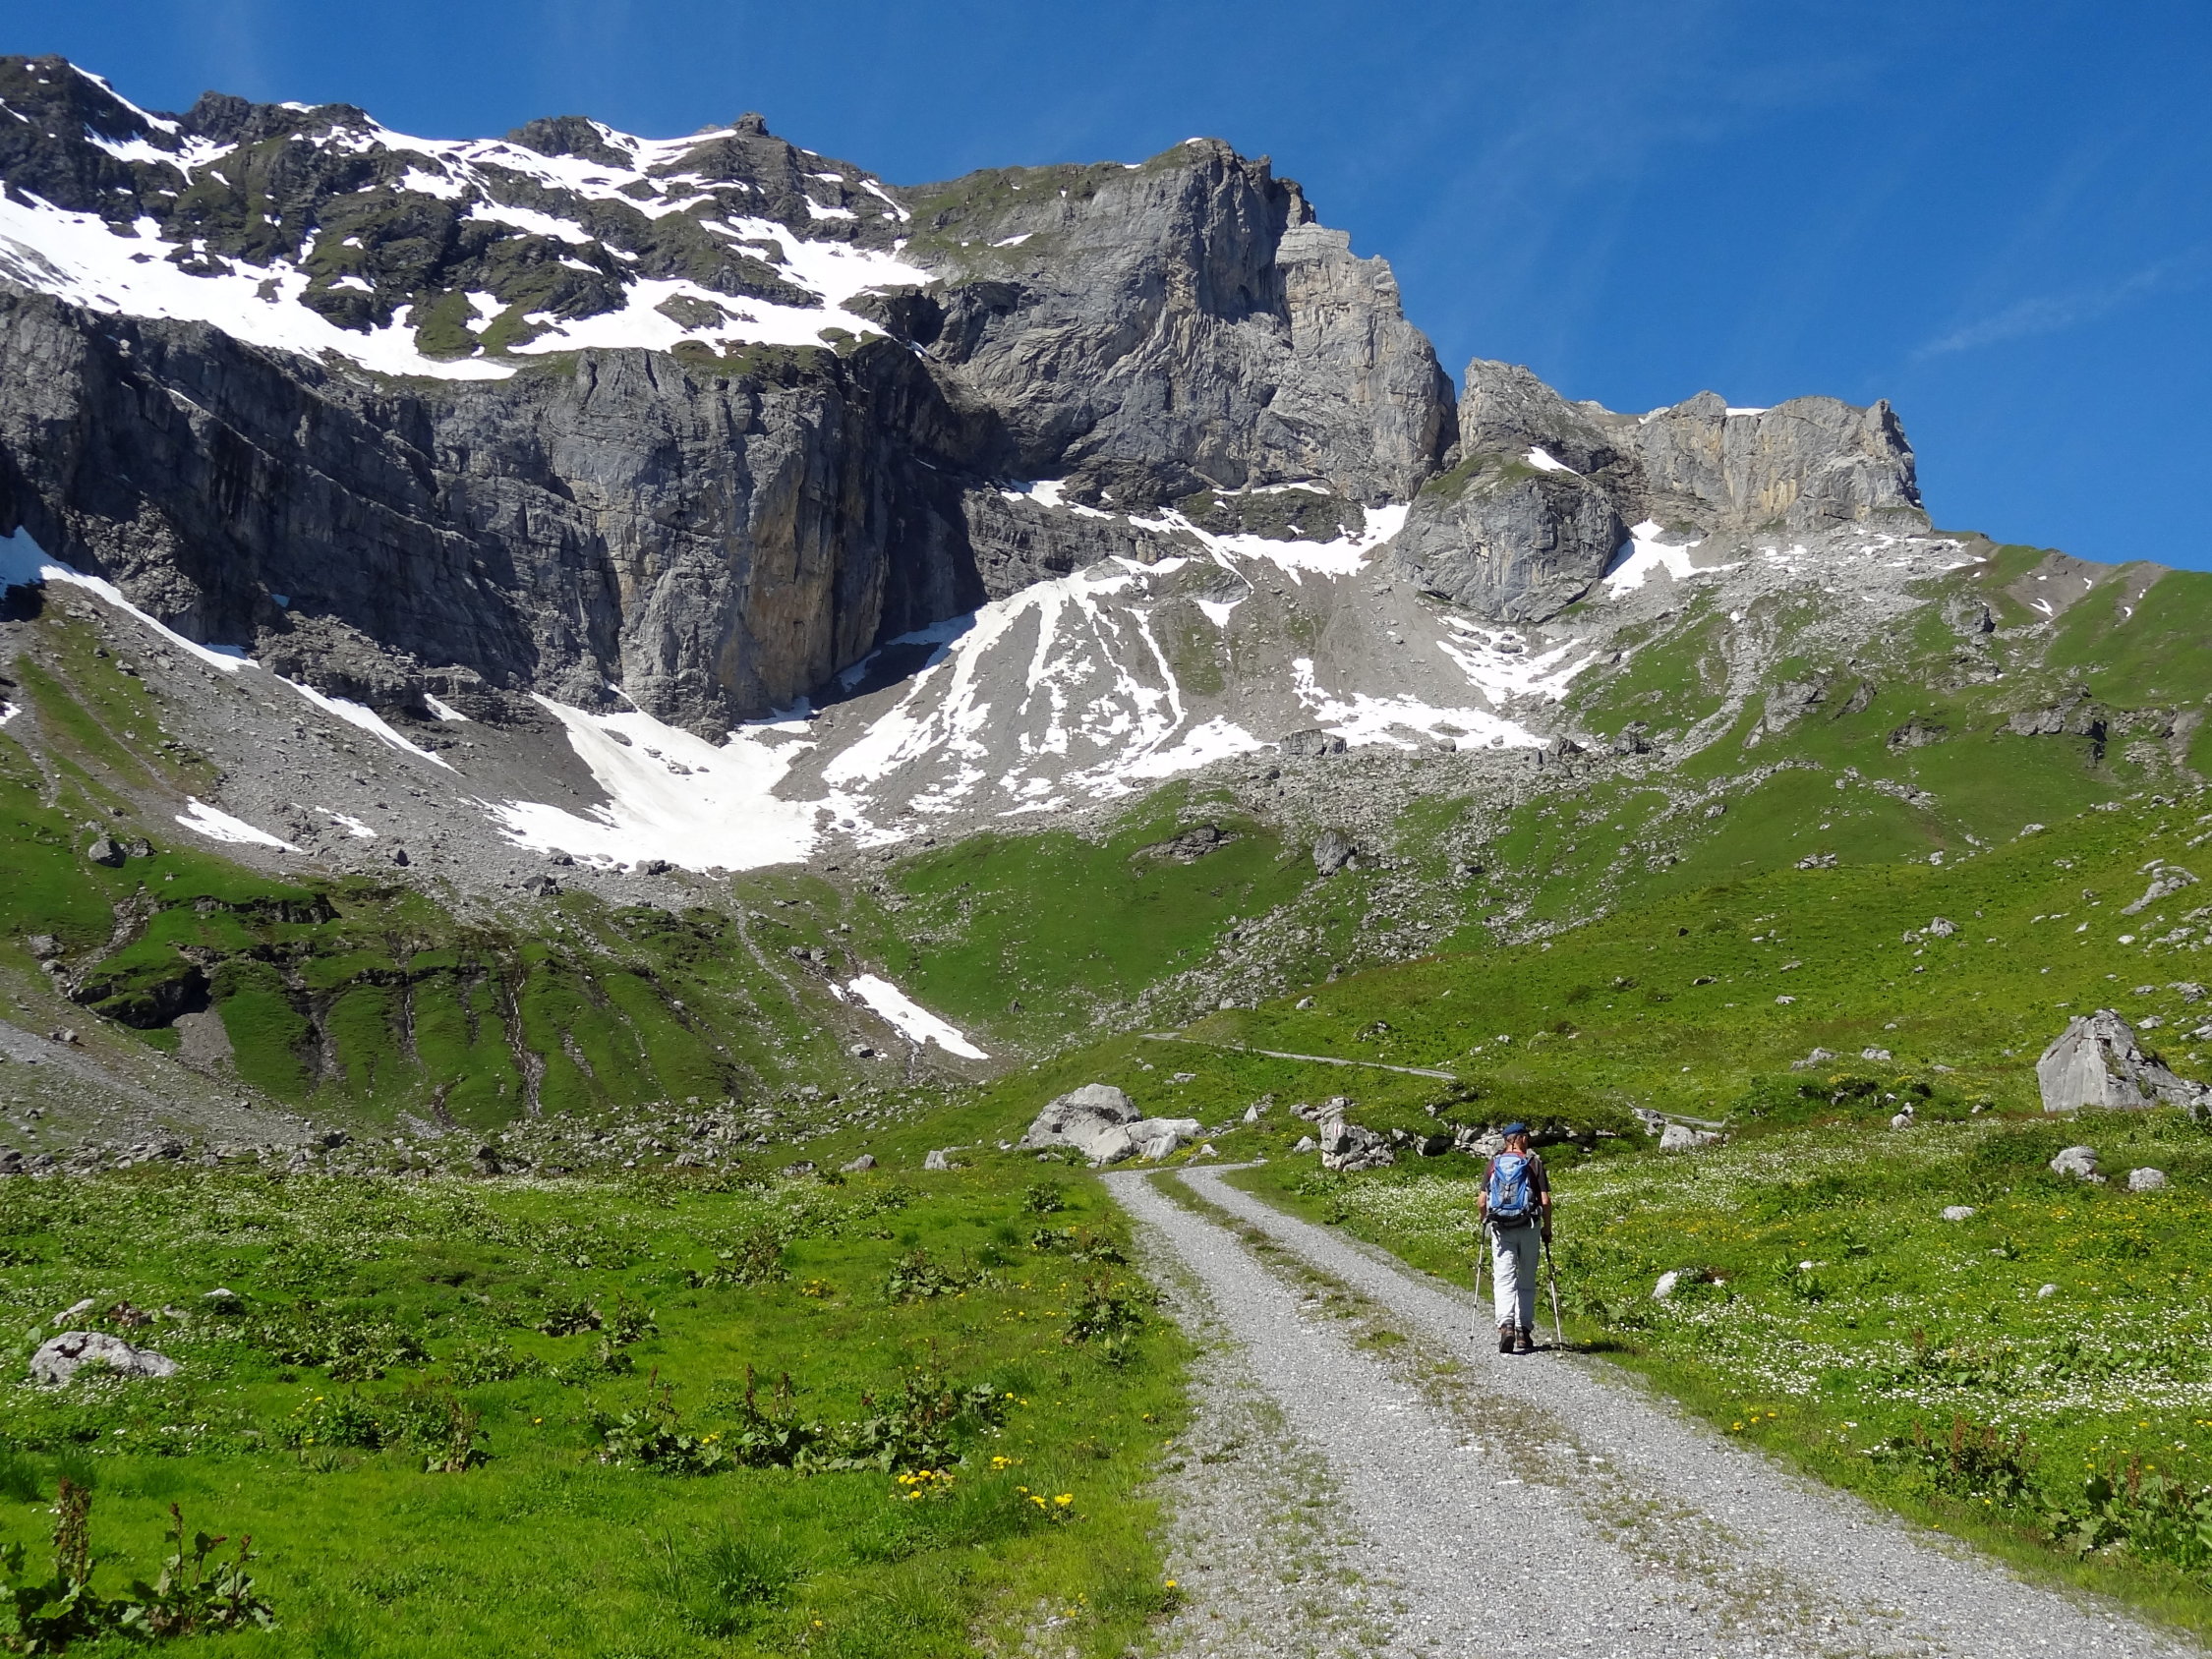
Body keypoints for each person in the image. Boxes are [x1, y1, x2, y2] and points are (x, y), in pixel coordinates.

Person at [1476, 1121, 1550, 1354]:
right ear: (1521, 1138)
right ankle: (1523, 1331)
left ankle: (1506, 1326)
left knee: (1504, 1278)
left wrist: (1484, 1220)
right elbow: (1545, 1201)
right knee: (1526, 1278)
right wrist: (1547, 1229)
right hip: (1529, 1226)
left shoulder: (1494, 1163)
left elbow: (1481, 1201)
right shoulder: (1533, 1163)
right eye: (1527, 1137)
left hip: (1502, 1228)